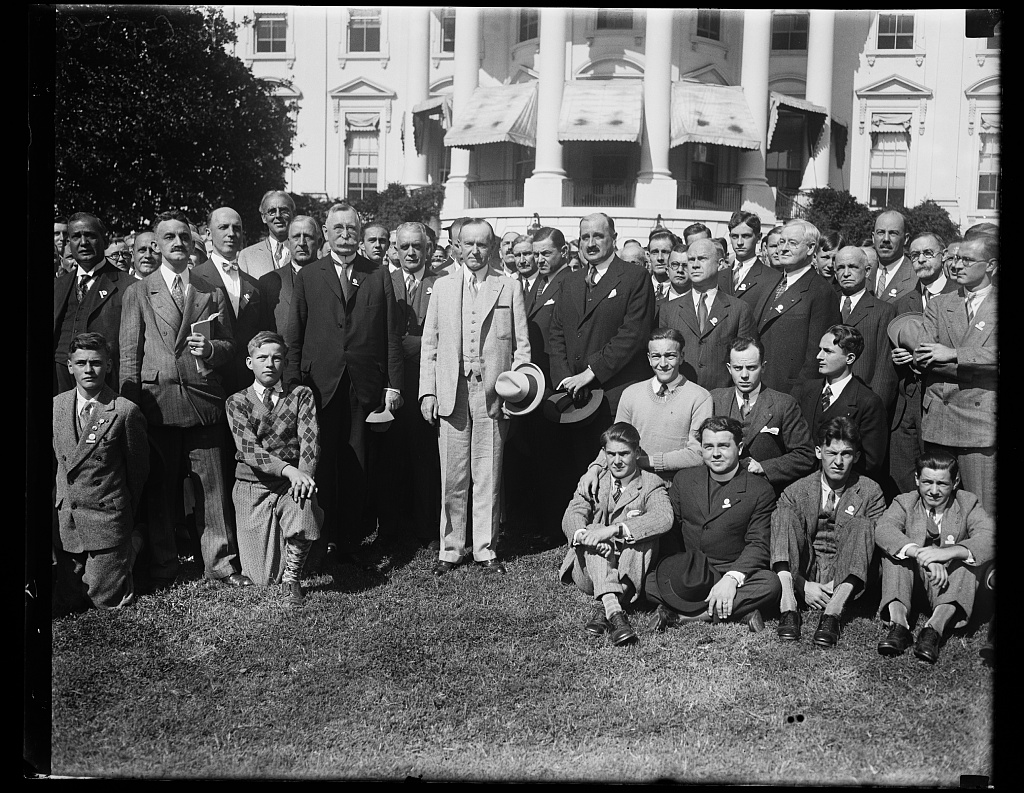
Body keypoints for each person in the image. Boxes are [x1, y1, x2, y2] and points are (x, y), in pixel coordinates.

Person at [119, 209, 251, 589]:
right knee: (161, 489)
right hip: (157, 404)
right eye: (169, 237)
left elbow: (230, 345)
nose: (178, 243)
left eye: (184, 236)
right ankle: (163, 564)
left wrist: (210, 349)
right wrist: (131, 409)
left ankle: (220, 563)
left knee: (212, 487)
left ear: (193, 242)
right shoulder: (138, 292)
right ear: (156, 245)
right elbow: (129, 355)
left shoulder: (210, 291)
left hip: (203, 399)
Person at [284, 202, 403, 566]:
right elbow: (294, 335)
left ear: (359, 232)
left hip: (362, 386)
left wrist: (393, 385)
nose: (346, 235)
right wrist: (292, 384)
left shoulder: (378, 274)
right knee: (320, 464)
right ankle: (320, 542)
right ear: (326, 232)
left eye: (351, 228)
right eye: (338, 228)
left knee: (357, 466)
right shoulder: (309, 275)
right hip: (318, 386)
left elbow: (390, 335)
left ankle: (350, 542)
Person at [419, 218, 531, 575]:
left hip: (493, 394)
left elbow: (522, 347)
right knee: (452, 475)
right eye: (468, 244)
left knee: (488, 472)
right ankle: (450, 548)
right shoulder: (442, 286)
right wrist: (428, 392)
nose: (475, 251)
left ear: (492, 247)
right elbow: (429, 345)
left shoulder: (508, 286)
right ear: (457, 247)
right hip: (452, 391)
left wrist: (516, 391)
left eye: (482, 244)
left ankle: (485, 548)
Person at [646, 416, 781, 632]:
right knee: (650, 582)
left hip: (729, 568)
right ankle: (740, 611)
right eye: (709, 447)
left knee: (770, 584)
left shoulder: (759, 490)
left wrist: (731, 579)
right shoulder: (684, 480)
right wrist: (677, 571)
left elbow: (759, 543)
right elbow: (672, 532)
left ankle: (680, 616)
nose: (715, 453)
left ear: (739, 448)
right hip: (689, 569)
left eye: (723, 446)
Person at [548, 212, 656, 477]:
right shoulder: (570, 281)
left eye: (598, 236)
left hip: (613, 400)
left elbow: (632, 335)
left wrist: (590, 373)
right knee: (573, 476)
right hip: (573, 401)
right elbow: (557, 333)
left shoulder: (635, 277)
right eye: (585, 237)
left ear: (614, 238)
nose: (591, 243)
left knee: (612, 476)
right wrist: (565, 381)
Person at [53, 332, 149, 609]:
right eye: (81, 363)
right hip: (68, 521)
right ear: (69, 366)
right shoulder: (56, 406)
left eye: (95, 363)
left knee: (103, 600)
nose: (88, 370)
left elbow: (138, 472)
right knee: (66, 601)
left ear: (108, 365)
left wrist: (121, 513)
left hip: (106, 520)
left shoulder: (125, 411)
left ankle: (132, 543)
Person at [225, 332, 322, 605]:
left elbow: (310, 442)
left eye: (277, 358)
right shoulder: (236, 402)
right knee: (261, 578)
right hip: (252, 485)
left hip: (290, 483)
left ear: (285, 363)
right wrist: (290, 470)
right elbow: (249, 450)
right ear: (249, 362)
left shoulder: (301, 395)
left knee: (304, 503)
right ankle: (286, 547)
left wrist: (303, 477)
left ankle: (293, 578)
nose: (269, 364)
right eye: (262, 357)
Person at [770, 417, 885, 646]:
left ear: (856, 456)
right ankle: (788, 606)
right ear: (818, 452)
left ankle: (832, 613)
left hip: (847, 574)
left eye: (846, 454)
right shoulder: (796, 490)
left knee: (864, 525)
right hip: (806, 570)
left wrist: (837, 585)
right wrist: (803, 586)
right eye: (831, 453)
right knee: (782, 515)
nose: (838, 462)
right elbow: (782, 541)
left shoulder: (870, 492)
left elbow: (873, 548)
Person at [874, 451, 994, 664]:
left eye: (942, 484)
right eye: (927, 482)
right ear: (917, 479)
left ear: (955, 482)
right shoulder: (905, 502)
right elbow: (884, 529)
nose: (934, 491)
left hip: (949, 585)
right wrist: (922, 554)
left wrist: (947, 553)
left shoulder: (967, 503)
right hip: (912, 584)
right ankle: (899, 626)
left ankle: (933, 630)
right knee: (894, 554)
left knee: (968, 560)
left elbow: (988, 536)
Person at [560, 422, 673, 646]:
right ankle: (615, 608)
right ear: (604, 453)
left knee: (642, 534)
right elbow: (572, 514)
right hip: (590, 571)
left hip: (629, 567)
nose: (617, 461)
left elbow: (664, 517)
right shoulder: (594, 480)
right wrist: (585, 536)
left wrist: (614, 530)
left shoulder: (650, 483)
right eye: (611, 454)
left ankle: (609, 610)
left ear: (637, 452)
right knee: (591, 529)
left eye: (624, 454)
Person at [577, 328, 712, 499]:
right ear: (649, 358)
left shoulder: (700, 397)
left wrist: (645, 461)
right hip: (633, 486)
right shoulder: (631, 393)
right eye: (656, 356)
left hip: (676, 489)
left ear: (681, 356)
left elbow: (698, 454)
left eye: (670, 356)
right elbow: (614, 442)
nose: (663, 363)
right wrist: (595, 468)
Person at [915, 233, 997, 515]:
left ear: (991, 266)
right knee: (937, 507)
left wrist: (953, 354)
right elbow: (924, 357)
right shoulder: (939, 304)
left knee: (980, 510)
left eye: (968, 260)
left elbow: (940, 356)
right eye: (956, 258)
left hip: (980, 425)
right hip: (940, 420)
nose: (957, 265)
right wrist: (981, 369)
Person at [381, 222, 442, 551]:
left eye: (417, 246)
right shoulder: (384, 281)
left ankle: (426, 528)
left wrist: (413, 344)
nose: (410, 252)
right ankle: (389, 528)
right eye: (403, 246)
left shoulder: (441, 283)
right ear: (395, 248)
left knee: (425, 455)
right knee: (390, 456)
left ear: (427, 249)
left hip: (428, 380)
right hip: (392, 382)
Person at [710, 336, 816, 495]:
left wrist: (764, 467)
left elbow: (805, 456)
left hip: (765, 494)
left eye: (751, 368)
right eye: (738, 368)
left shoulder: (784, 404)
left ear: (763, 367)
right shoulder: (714, 399)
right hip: (720, 492)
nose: (744, 375)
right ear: (729, 368)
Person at [757, 219, 842, 395]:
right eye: (781, 242)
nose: (783, 248)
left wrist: (797, 397)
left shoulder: (821, 292)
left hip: (790, 394)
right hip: (760, 388)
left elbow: (816, 358)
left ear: (810, 248)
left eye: (792, 243)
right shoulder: (770, 283)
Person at [659, 238, 756, 391]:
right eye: (691, 259)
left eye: (702, 258)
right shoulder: (669, 310)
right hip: (680, 396)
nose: (695, 265)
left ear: (720, 263)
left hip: (722, 397)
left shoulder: (739, 309)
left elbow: (746, 361)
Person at [792, 325, 888, 480]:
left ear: (849, 358)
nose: (819, 356)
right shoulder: (806, 390)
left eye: (828, 351)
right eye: (820, 349)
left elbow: (870, 463)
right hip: (802, 482)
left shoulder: (868, 402)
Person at [54, 212, 133, 394]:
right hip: (60, 384)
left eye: (90, 235)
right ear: (69, 243)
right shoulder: (58, 286)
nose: (83, 243)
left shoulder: (128, 286)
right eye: (76, 237)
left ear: (104, 241)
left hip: (107, 387)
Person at [192, 207, 263, 397]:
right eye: (223, 227)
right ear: (208, 234)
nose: (231, 233)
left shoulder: (254, 285)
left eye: (236, 228)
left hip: (248, 383)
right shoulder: (194, 279)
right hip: (209, 382)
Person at [833, 246, 898, 412]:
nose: (846, 273)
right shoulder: (827, 303)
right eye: (840, 268)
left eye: (853, 267)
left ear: (867, 271)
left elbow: (884, 370)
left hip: (863, 405)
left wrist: (874, 411)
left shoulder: (883, 311)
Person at [257, 216, 321, 335]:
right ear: (288, 242)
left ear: (319, 242)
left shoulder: (332, 278)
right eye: (296, 237)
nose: (301, 243)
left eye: (308, 237)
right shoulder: (268, 282)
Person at [724, 212, 783, 324]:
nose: (739, 242)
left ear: (758, 238)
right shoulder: (719, 277)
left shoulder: (773, 278)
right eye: (735, 236)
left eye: (746, 236)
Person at [237, 190, 296, 279]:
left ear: (293, 215)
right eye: (272, 211)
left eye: (284, 211)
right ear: (264, 217)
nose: (278, 215)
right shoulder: (247, 256)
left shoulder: (304, 252)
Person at [871, 210, 915, 304]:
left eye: (893, 233)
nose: (886, 239)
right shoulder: (863, 274)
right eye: (881, 232)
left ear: (906, 239)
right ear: (873, 237)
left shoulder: (916, 279)